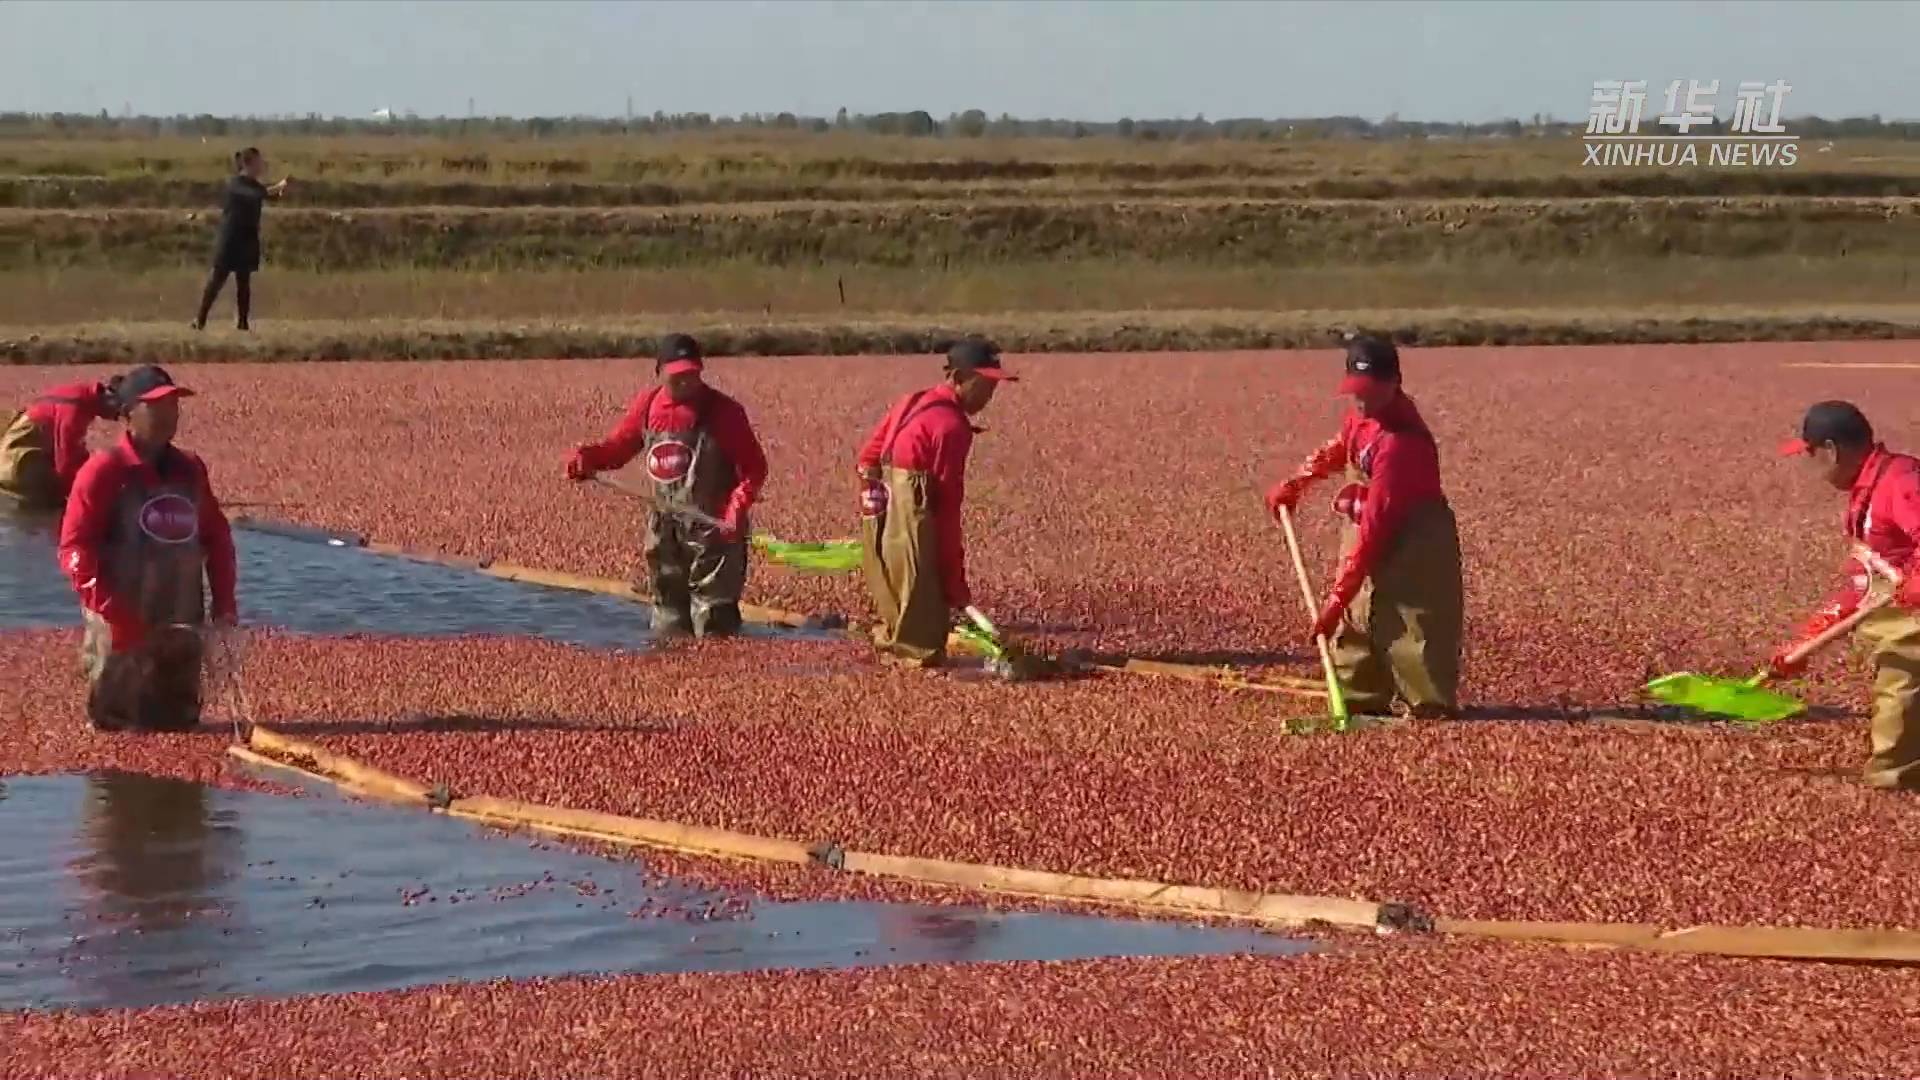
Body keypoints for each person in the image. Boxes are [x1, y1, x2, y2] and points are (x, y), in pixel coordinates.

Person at [1264, 334, 1463, 719]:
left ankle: (1428, 705)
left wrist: (1334, 600)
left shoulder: (1402, 444)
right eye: (1356, 391)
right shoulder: (1362, 417)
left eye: (1371, 391)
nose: (1362, 400)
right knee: (1359, 612)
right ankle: (1359, 694)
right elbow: (1342, 445)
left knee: (1411, 615)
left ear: (1394, 383)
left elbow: (1374, 530)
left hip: (1416, 534)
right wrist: (1298, 481)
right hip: (1371, 515)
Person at [57, 365, 238, 732]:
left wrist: (224, 602)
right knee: (115, 727)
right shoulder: (103, 471)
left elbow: (216, 537)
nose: (168, 415)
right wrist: (112, 611)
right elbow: (75, 549)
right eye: (155, 406)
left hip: (181, 617)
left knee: (180, 725)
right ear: (129, 414)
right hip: (119, 619)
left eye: (173, 405)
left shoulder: (190, 469)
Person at [565, 334, 767, 638]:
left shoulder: (725, 412)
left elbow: (754, 468)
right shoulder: (648, 406)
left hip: (712, 531)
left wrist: (736, 509)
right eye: (676, 376)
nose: (685, 382)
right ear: (659, 372)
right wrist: (588, 458)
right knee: (667, 616)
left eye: (691, 374)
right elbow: (618, 449)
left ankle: (719, 665)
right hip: (665, 530)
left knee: (714, 619)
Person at [1772, 401, 1920, 791]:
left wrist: (1913, 587)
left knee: (1901, 673)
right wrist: (1811, 635)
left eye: (1811, 454)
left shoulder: (1901, 483)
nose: (1811, 465)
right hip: (1902, 594)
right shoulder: (1869, 488)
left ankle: (1895, 779)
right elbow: (1864, 581)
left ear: (1831, 450)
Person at [857, 337, 1017, 667]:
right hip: (915, 525)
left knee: (896, 608)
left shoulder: (911, 401)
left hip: (884, 524)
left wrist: (877, 516)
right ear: (958, 378)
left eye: (993, 387)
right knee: (922, 642)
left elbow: (868, 460)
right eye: (983, 385)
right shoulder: (951, 427)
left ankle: (893, 658)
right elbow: (947, 507)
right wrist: (953, 578)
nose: (989, 395)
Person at [191, 147, 290, 332]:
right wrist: (277, 187)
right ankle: (200, 319)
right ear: (248, 164)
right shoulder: (235, 184)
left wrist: (283, 189)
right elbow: (256, 195)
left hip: (247, 238)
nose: (262, 165)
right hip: (230, 238)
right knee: (217, 279)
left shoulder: (254, 184)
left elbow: (265, 195)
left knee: (243, 282)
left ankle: (242, 323)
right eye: (258, 162)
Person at [0, 374, 126, 510]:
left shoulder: (82, 397)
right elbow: (66, 463)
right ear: (111, 400)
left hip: (21, 460)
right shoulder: (76, 407)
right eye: (118, 411)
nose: (116, 417)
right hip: (18, 464)